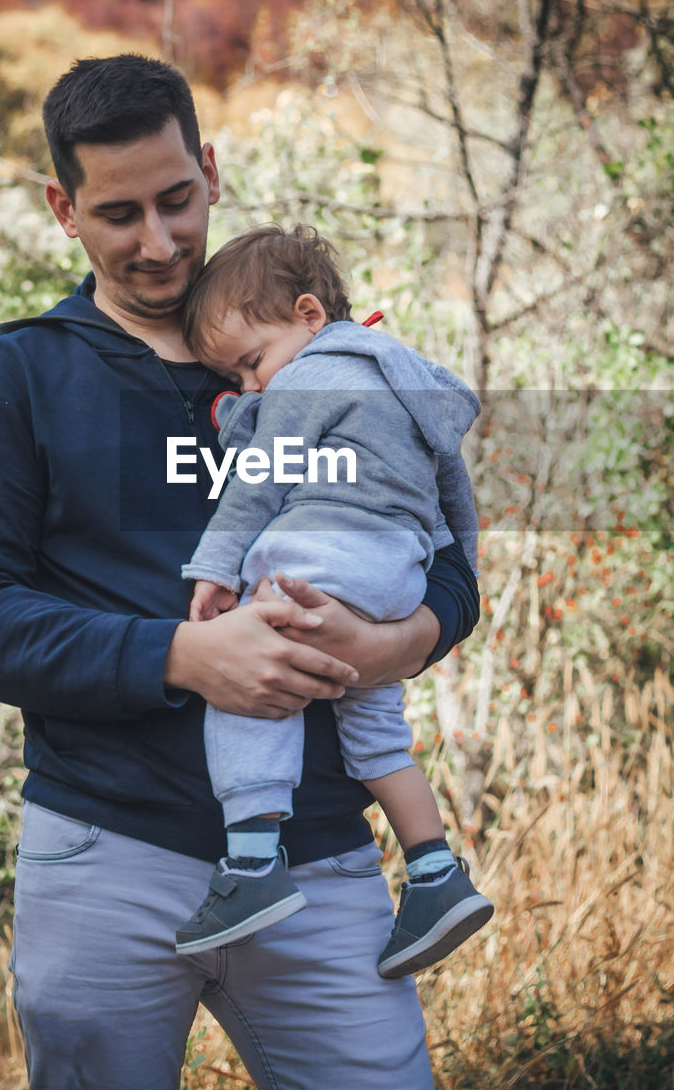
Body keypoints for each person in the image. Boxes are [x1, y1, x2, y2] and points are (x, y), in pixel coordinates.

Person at [0, 53, 480, 1090]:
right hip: (104, 849)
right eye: (118, 212)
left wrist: (401, 641)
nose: (158, 240)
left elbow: (444, 554)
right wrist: (185, 654)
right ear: (63, 207)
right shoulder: (21, 378)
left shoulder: (319, 351)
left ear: (212, 170)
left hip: (320, 856)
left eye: (177, 200)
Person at [174, 224, 493, 977]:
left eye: (252, 363)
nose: (254, 385)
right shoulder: (405, 378)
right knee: (376, 727)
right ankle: (435, 875)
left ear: (309, 315)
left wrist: (215, 570)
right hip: (395, 575)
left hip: (325, 552)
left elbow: (258, 481)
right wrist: (456, 586)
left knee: (251, 677)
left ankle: (253, 865)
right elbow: (455, 500)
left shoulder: (311, 375)